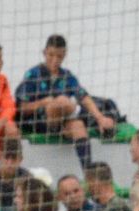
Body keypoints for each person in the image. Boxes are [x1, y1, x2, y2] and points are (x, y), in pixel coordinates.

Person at [15, 34, 115, 172]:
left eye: (59, 56)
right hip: (39, 122)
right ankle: (69, 107)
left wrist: (100, 118)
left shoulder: (67, 75)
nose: (54, 60)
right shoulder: (33, 75)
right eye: (51, 55)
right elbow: (21, 108)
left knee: (79, 126)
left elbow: (83, 95)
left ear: (64, 55)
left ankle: (88, 173)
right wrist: (43, 102)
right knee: (62, 101)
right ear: (44, 52)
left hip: (62, 121)